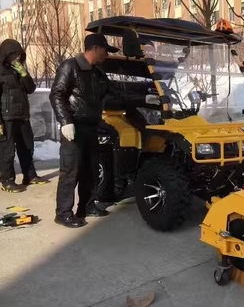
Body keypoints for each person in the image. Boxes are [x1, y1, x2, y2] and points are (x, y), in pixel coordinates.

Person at [50, 33, 159, 228]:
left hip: (92, 127)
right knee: (71, 172)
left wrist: (144, 99)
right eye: (105, 50)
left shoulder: (97, 73)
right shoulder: (70, 67)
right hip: (73, 128)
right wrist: (65, 121)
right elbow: (57, 94)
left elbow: (117, 93)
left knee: (90, 172)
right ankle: (63, 213)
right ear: (94, 48)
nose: (106, 55)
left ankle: (87, 206)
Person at [0, 39, 49, 193]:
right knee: (7, 150)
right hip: (6, 117)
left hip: (22, 115)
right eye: (13, 54)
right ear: (5, 55)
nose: (17, 57)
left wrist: (24, 73)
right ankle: (7, 180)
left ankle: (29, 175)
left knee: (27, 146)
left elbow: (31, 89)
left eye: (19, 54)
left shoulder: (19, 70)